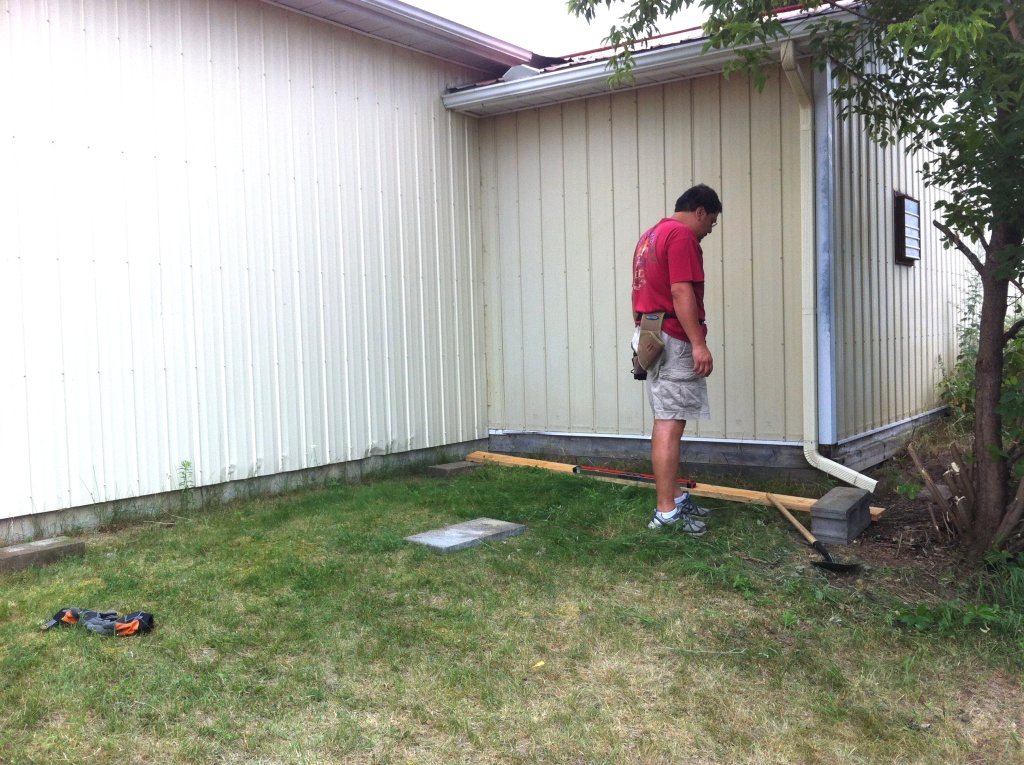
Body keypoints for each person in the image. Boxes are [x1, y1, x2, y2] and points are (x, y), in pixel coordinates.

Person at [631, 184, 722, 535]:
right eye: (711, 222)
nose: (709, 230)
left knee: (669, 418)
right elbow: (680, 290)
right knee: (669, 423)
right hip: (672, 337)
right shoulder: (682, 235)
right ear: (700, 211)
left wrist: (644, 337)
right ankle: (666, 512)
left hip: (651, 332)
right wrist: (698, 344)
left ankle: (676, 497)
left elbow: (641, 289)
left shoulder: (650, 236)